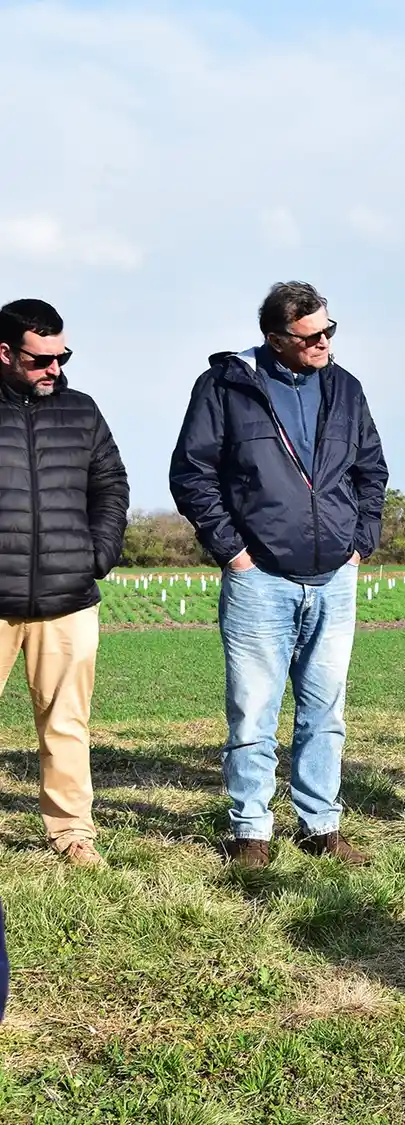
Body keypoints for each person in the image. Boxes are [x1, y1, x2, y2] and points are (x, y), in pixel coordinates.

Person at [170, 282, 388, 869]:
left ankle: (320, 825)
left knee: (325, 710)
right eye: (311, 336)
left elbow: (372, 470)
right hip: (257, 578)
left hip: (335, 576)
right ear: (275, 338)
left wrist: (360, 543)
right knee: (253, 710)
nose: (324, 344)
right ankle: (250, 830)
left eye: (329, 331)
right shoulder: (225, 385)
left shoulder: (346, 388)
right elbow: (193, 473)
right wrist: (231, 551)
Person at [0, 300, 129, 867]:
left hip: (68, 599)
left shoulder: (82, 411)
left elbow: (111, 484)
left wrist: (96, 554)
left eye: (62, 357)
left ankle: (73, 833)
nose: (55, 369)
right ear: (5, 353)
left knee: (67, 724)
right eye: (41, 359)